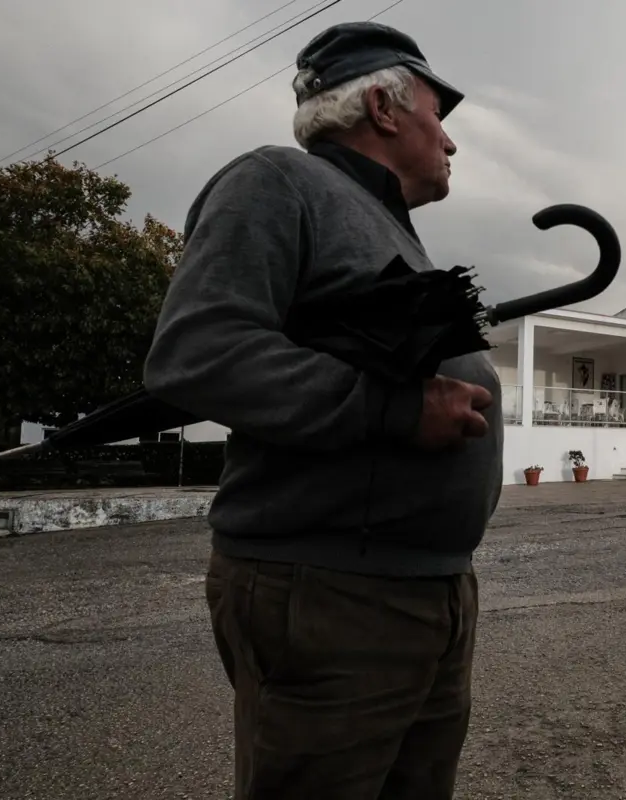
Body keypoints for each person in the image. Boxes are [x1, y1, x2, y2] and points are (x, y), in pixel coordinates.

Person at [143, 21, 503, 800]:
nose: (450, 142)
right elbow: (198, 352)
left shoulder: (389, 230)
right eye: (439, 116)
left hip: (428, 590)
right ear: (383, 105)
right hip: (332, 595)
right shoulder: (278, 182)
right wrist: (396, 411)